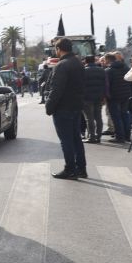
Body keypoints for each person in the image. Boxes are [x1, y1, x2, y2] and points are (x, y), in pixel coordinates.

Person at [45, 38, 87, 180]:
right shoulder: (78, 63)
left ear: (59, 49)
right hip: (76, 107)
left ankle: (70, 169)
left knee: (66, 140)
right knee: (76, 139)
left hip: (63, 108)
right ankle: (81, 168)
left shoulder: (62, 65)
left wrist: (49, 106)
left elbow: (56, 89)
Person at [105, 52, 132, 143]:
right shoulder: (126, 68)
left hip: (114, 96)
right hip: (125, 95)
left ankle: (120, 137)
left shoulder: (109, 70)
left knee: (116, 117)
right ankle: (127, 136)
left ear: (108, 60)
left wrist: (106, 96)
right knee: (124, 114)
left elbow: (107, 85)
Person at [81, 55, 106, 143]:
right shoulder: (102, 70)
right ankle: (98, 136)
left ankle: (91, 136)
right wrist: (104, 95)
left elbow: (81, 85)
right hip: (99, 97)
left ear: (86, 61)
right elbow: (105, 84)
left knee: (89, 118)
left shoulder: (83, 71)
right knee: (98, 117)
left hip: (87, 98)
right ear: (94, 61)